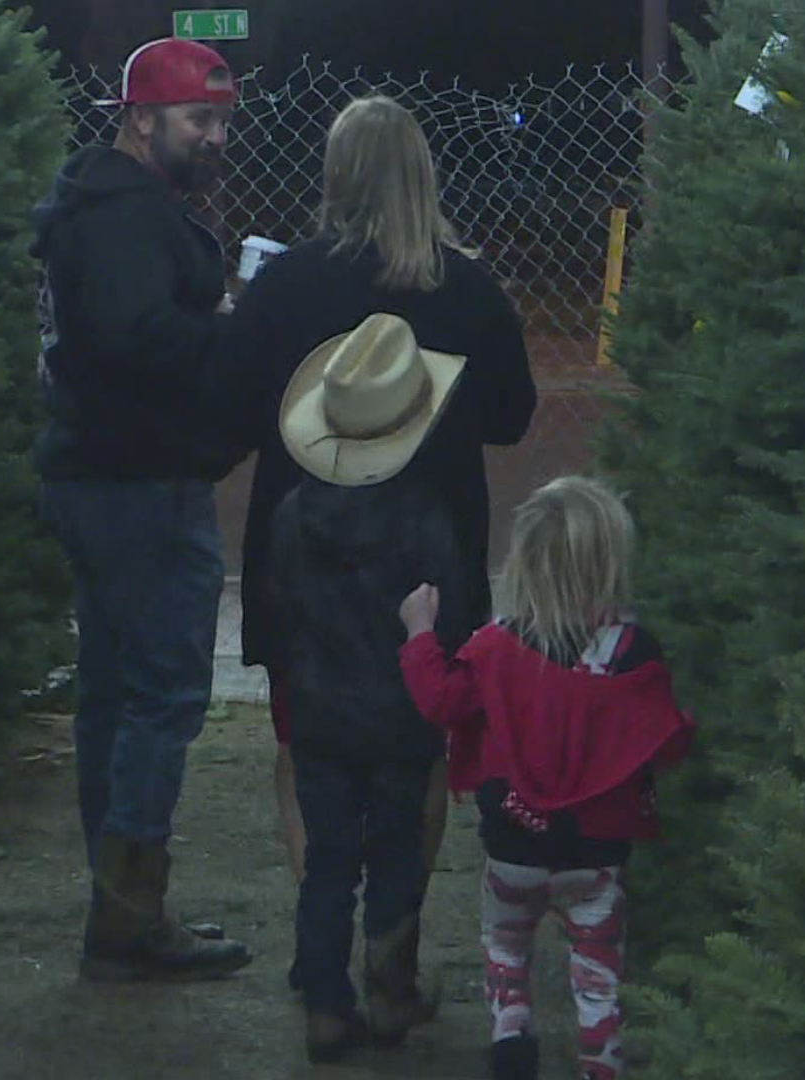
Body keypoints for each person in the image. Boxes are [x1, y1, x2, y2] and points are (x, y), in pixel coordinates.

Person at [223, 94, 537, 984]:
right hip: (429, 568)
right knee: (422, 753)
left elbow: (231, 404)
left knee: (303, 748)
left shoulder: (288, 283)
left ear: (335, 176)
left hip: (303, 559)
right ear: (424, 176)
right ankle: (390, 951)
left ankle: (322, 947)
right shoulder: (470, 289)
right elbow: (512, 420)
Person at [30, 36, 251, 982]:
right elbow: (138, 337)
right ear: (140, 118)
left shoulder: (106, 204)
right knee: (161, 696)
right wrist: (231, 327)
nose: (214, 139)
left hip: (97, 478)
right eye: (198, 121)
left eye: (221, 122)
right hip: (138, 485)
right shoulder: (125, 218)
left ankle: (116, 904)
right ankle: (128, 914)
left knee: (115, 698)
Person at [397, 477, 696, 1080]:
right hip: (597, 853)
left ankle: (512, 1045)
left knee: (506, 949)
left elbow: (440, 700)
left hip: (514, 842)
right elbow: (661, 743)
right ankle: (600, 1065)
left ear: (525, 559)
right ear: (612, 559)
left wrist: (419, 632)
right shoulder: (634, 650)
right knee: (598, 976)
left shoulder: (496, 646)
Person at [264, 313, 485, 1060]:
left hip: (323, 714)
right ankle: (392, 992)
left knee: (328, 860)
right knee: (396, 853)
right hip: (402, 714)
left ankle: (325, 1002)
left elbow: (280, 606)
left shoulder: (293, 516)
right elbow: (451, 615)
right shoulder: (426, 519)